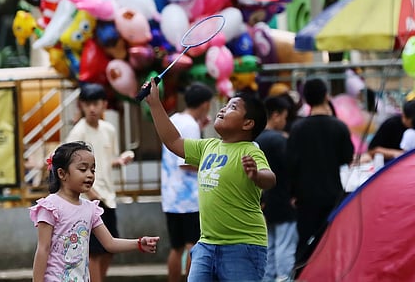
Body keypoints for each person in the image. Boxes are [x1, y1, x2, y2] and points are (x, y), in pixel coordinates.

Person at [144, 77, 276, 281]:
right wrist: (155, 104)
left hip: (243, 246)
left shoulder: (250, 150)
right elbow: (172, 141)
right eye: (225, 105)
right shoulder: (207, 146)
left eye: (233, 107)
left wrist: (256, 175)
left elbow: (270, 179)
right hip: (206, 245)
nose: (223, 109)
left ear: (248, 123)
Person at [30, 141, 159, 282]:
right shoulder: (51, 206)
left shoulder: (90, 208)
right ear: (62, 173)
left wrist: (139, 243)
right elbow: (43, 249)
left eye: (93, 170)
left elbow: (110, 243)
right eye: (83, 169)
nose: (90, 175)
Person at [65, 83, 134, 282]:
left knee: (109, 248)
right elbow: (68, 165)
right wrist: (89, 193)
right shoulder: (78, 133)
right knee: (95, 251)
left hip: (108, 197)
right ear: (81, 106)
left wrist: (120, 160)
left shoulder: (109, 130)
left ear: (104, 104)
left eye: (96, 103)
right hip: (90, 199)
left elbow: (106, 159)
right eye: (87, 104)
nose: (92, 108)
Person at [286, 78, 354, 275]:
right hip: (333, 194)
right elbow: (347, 158)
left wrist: (292, 193)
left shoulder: (297, 129)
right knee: (332, 240)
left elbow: (291, 164)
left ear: (306, 100)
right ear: (326, 96)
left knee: (305, 242)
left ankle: (301, 276)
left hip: (305, 196)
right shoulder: (339, 126)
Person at [161, 82, 214, 282]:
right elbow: (187, 163)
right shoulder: (190, 125)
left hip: (171, 196)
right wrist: (213, 166)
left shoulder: (175, 119)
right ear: (205, 104)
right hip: (189, 198)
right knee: (194, 246)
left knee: (176, 248)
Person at [257, 96, 298, 282]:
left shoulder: (255, 139)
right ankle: (284, 279)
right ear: (275, 116)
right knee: (285, 246)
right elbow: (293, 169)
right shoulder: (279, 141)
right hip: (283, 201)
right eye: (284, 117)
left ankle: (268, 278)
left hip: (263, 203)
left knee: (270, 246)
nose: (284, 121)